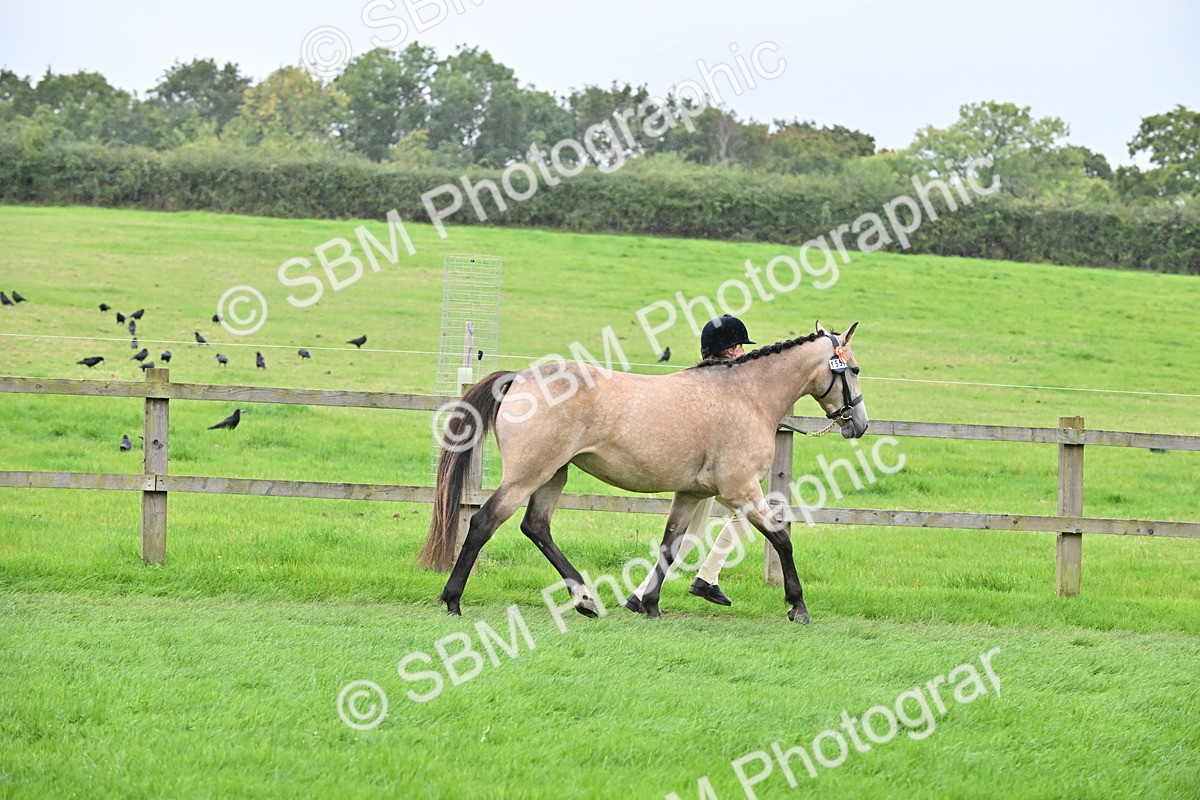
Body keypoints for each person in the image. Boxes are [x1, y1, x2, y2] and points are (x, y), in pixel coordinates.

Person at [625, 314, 755, 612]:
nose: (744, 352)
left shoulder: (702, 380)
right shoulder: (727, 384)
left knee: (693, 533)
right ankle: (706, 578)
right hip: (708, 472)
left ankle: (647, 592)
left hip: (697, 471)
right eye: (741, 347)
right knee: (749, 510)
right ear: (732, 349)